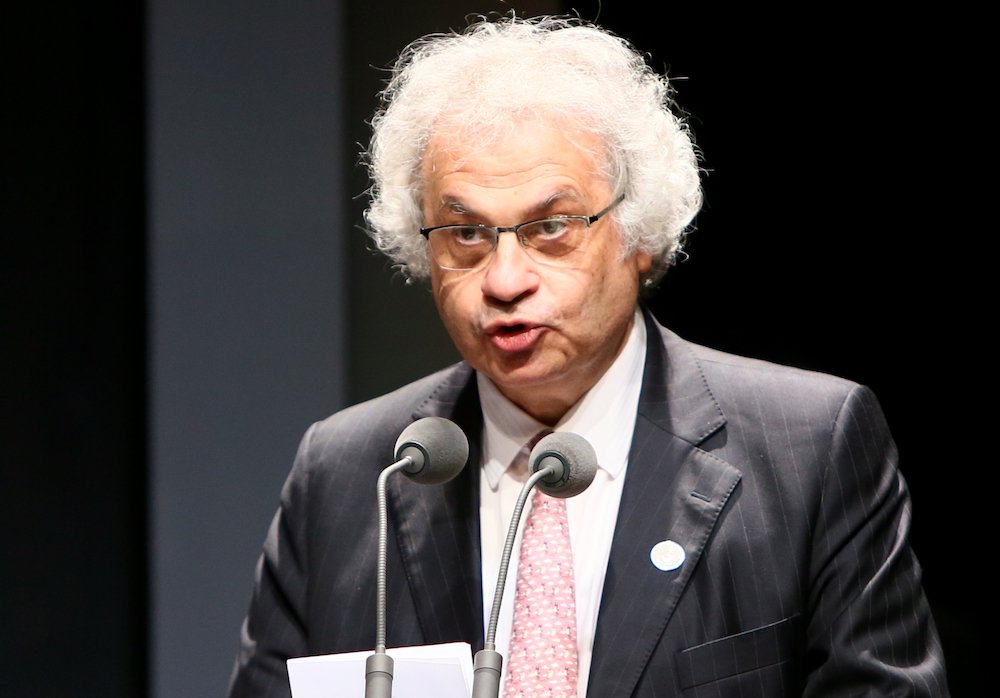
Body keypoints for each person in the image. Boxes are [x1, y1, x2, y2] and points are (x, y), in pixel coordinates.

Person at [228, 15, 947, 697]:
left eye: (552, 227)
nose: (505, 281)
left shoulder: (808, 449)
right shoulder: (351, 475)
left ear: (640, 232)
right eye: (465, 234)